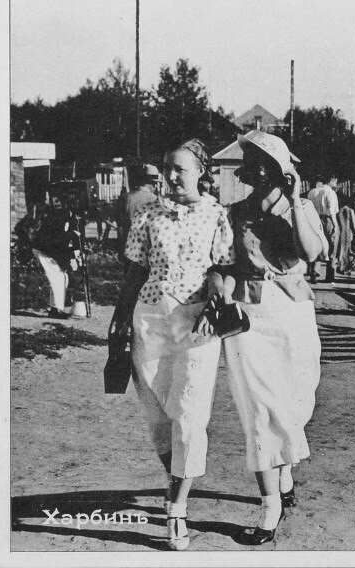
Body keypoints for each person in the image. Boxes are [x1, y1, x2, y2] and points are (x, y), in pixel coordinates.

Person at [112, 139, 234, 551]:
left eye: (180, 168)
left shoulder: (216, 213)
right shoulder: (147, 213)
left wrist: (217, 288)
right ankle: (175, 476)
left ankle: (176, 509)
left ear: (201, 171)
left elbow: (224, 266)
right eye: (167, 167)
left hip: (197, 321)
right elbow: (135, 271)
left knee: (189, 411)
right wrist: (118, 321)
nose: (171, 175)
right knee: (157, 415)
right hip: (149, 318)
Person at [222, 130, 326, 546]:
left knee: (296, 403)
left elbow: (311, 253)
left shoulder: (300, 207)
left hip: (293, 313)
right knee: (260, 408)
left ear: (280, 169)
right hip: (250, 318)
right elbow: (226, 264)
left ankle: (283, 474)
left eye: (263, 162)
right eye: (251, 161)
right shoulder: (235, 212)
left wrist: (296, 200)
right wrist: (222, 291)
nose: (255, 169)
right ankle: (270, 507)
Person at [31, 197, 84, 319]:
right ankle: (56, 310)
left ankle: (55, 308)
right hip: (44, 249)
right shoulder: (61, 217)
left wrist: (75, 255)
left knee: (62, 276)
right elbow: (57, 243)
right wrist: (66, 262)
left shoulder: (68, 217)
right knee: (58, 277)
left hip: (49, 249)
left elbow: (68, 243)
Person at [119, 164, 160, 251]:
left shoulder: (125, 197)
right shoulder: (154, 199)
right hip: (145, 248)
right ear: (153, 184)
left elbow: (118, 222)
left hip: (126, 246)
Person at [306, 175, 339, 283]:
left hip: (314, 219)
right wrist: (335, 225)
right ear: (331, 181)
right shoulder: (330, 193)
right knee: (332, 247)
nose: (335, 184)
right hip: (328, 220)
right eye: (335, 182)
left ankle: (314, 271)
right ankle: (330, 276)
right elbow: (332, 210)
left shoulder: (312, 192)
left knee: (316, 245)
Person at [334, 193, 355, 274]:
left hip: (341, 233)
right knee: (349, 251)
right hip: (349, 233)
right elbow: (353, 224)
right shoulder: (350, 211)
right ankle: (347, 268)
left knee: (341, 250)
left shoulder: (339, 211)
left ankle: (341, 266)